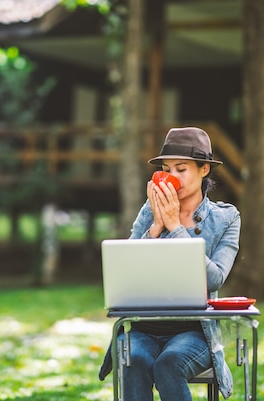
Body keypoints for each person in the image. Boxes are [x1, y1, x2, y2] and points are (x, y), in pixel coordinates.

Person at [98, 126, 241, 400]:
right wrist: (155, 228)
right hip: (143, 327)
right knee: (134, 361)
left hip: (195, 330)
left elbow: (214, 278)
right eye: (166, 168)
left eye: (181, 168)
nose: (171, 177)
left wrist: (175, 226)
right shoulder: (149, 210)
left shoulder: (226, 218)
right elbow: (127, 270)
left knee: (169, 363)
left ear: (204, 170)